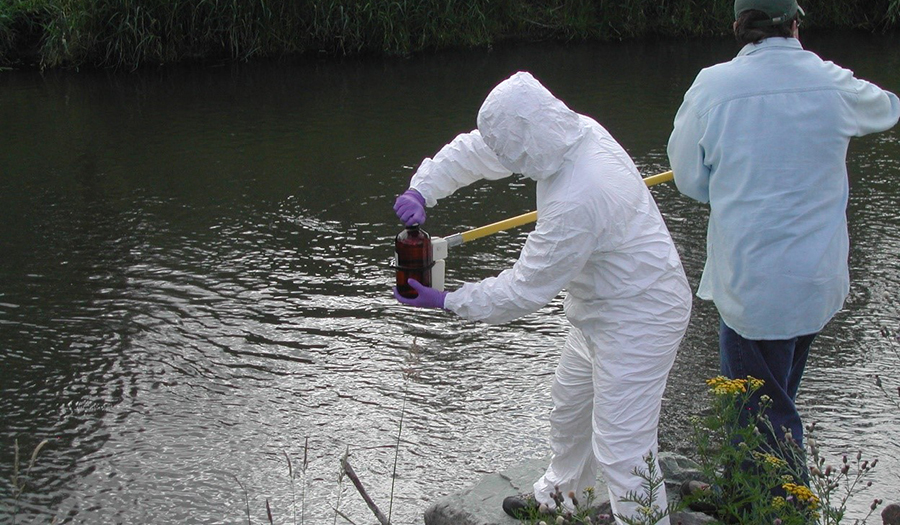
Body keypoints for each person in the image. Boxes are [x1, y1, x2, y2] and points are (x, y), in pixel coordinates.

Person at [392, 71, 692, 523]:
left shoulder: (581, 192)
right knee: (570, 410)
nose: (508, 161)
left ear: (529, 137)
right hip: (602, 308)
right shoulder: (569, 133)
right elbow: (482, 149)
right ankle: (560, 497)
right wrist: (424, 185)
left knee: (622, 447)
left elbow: (525, 289)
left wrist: (450, 300)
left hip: (642, 316)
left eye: (512, 153)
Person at [668, 0, 899, 466]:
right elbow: (888, 108)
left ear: (739, 27)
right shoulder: (833, 82)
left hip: (749, 288)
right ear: (795, 24)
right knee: (773, 399)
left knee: (762, 418)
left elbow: (689, 180)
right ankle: (747, 494)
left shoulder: (712, 87)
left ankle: (782, 507)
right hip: (816, 285)